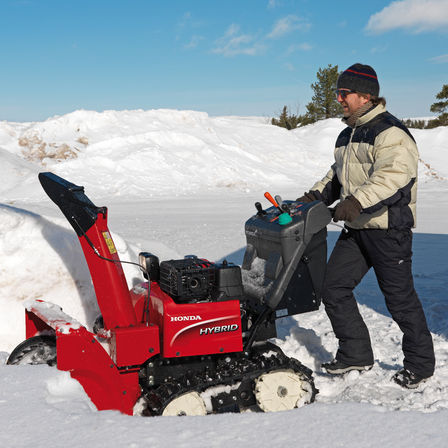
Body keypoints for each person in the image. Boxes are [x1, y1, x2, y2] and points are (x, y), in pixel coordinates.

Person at [298, 63, 435, 389]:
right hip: (358, 229)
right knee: (333, 288)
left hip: (388, 230)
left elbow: (392, 178)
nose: (339, 98)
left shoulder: (391, 133)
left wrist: (356, 202)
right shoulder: (349, 132)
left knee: (400, 300)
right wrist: (315, 195)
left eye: (344, 93)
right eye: (338, 93)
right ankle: (356, 353)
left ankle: (421, 364)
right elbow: (338, 175)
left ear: (365, 95)